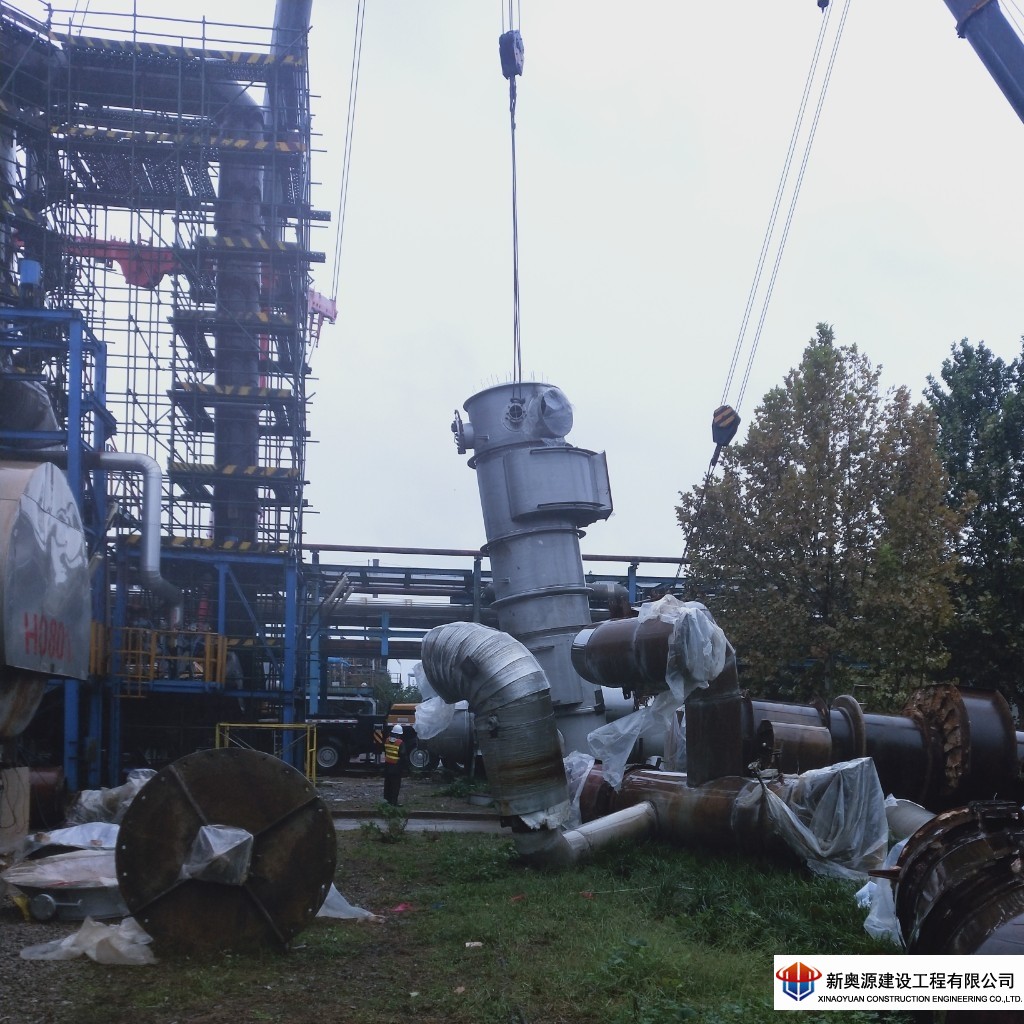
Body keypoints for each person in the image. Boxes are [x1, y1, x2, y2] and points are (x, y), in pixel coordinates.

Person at [383, 724, 407, 806]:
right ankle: (394, 802)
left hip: (387, 766)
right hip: (396, 767)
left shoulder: (386, 740)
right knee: (395, 785)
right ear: (399, 734)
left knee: (388, 784)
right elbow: (403, 755)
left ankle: (387, 801)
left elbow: (386, 751)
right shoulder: (400, 743)